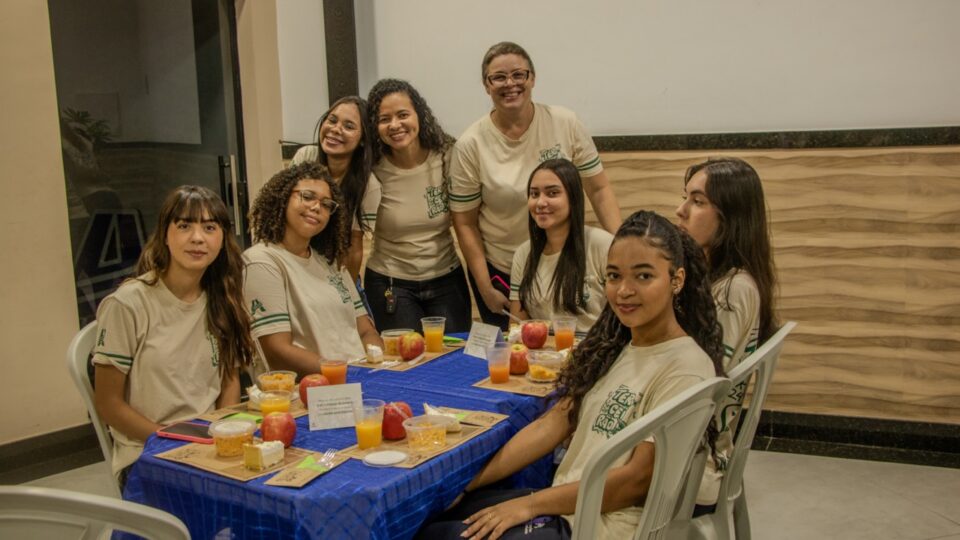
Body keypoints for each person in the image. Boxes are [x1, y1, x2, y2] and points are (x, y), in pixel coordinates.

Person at [420, 211, 724, 540]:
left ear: (676, 280)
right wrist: (468, 483)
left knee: (439, 537)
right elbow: (550, 424)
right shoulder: (616, 347)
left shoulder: (687, 367)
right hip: (567, 505)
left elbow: (637, 481)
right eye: (613, 276)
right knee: (430, 519)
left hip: (600, 526)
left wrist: (532, 504)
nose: (623, 291)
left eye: (644, 276)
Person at [450, 41, 622, 329]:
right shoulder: (470, 144)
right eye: (498, 78)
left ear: (532, 78)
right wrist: (484, 286)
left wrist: (623, 250)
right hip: (503, 269)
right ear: (486, 85)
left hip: (566, 264)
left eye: (519, 74)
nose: (510, 84)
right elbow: (464, 222)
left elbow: (599, 190)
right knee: (516, 354)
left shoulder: (564, 122)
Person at [92, 186, 254, 484]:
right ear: (165, 234)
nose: (197, 238)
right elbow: (108, 404)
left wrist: (222, 431)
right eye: (184, 226)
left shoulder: (222, 297)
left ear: (222, 239)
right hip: (147, 451)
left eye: (209, 227)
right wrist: (172, 439)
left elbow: (229, 379)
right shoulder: (129, 304)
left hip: (208, 443)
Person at [675, 156, 779, 510]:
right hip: (692, 446)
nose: (681, 210)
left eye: (697, 201)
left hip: (692, 462)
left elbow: (699, 388)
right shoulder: (711, 278)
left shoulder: (734, 290)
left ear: (731, 217)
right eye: (685, 198)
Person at [243, 162, 383, 377]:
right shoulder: (262, 261)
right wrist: (346, 372)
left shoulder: (330, 263)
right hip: (313, 391)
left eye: (327, 204)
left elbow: (365, 331)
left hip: (359, 379)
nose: (317, 207)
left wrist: (377, 363)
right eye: (307, 197)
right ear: (282, 198)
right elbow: (277, 350)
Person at [362, 79, 473, 332]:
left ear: (419, 115)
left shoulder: (446, 154)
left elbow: (468, 218)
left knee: (453, 359)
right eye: (384, 119)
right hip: (390, 284)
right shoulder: (371, 167)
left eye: (403, 115)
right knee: (404, 364)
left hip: (447, 279)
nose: (395, 125)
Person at [510, 158, 613, 333]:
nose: (541, 203)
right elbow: (518, 326)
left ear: (573, 198)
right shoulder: (523, 253)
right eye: (534, 194)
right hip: (543, 355)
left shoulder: (603, 245)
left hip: (597, 351)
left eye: (552, 193)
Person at [290, 96, 381, 282]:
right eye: (332, 120)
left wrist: (347, 295)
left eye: (349, 126)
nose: (335, 129)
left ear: (363, 139)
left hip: (331, 268)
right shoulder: (305, 157)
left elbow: (354, 247)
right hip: (292, 259)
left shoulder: (368, 184)